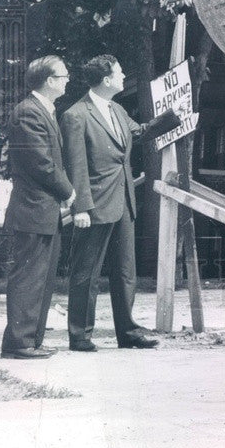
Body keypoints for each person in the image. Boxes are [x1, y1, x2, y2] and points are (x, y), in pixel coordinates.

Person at [61, 55, 178, 351]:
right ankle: (80, 335)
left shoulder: (118, 109)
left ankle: (128, 333)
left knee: (126, 271)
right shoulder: (76, 115)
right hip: (94, 205)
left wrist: (173, 116)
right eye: (120, 71)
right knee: (86, 273)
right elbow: (75, 165)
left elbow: (138, 133)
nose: (124, 74)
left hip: (123, 201)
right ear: (107, 79)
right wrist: (81, 207)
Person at [0, 56, 76, 359]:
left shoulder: (42, 111)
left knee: (41, 280)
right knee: (29, 279)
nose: (68, 79)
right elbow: (42, 164)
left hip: (42, 211)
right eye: (64, 75)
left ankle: (31, 340)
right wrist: (68, 191)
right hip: (32, 210)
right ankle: (19, 343)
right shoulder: (28, 113)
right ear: (49, 81)